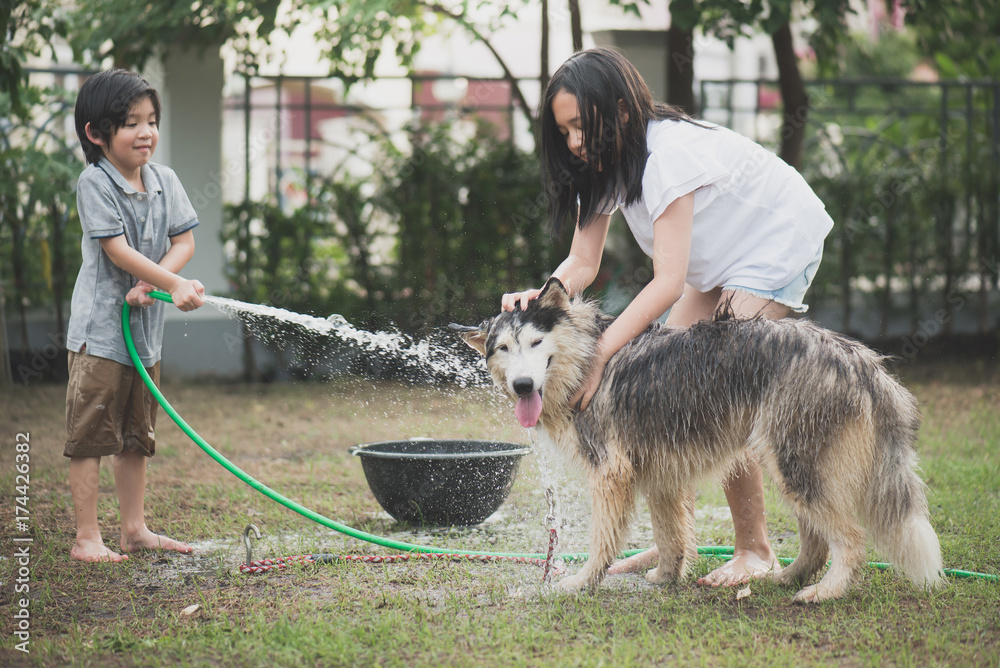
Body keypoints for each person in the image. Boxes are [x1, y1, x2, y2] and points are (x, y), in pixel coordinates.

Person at [502, 47, 833, 586]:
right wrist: (540, 300)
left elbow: (667, 282)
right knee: (667, 386)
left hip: (777, 240)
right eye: (564, 132)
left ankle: (756, 551)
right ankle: (671, 547)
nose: (575, 143)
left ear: (622, 111)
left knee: (718, 379)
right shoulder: (606, 165)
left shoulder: (666, 156)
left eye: (582, 126)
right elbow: (583, 261)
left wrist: (604, 353)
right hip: (718, 260)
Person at [65, 69, 206, 562]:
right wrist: (170, 284)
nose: (146, 132)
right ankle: (87, 538)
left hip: (145, 338)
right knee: (90, 436)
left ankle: (134, 529)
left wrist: (157, 283)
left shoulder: (165, 180)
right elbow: (117, 250)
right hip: (100, 336)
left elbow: (184, 241)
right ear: (96, 133)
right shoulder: (95, 182)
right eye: (130, 123)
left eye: (151, 120)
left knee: (134, 437)